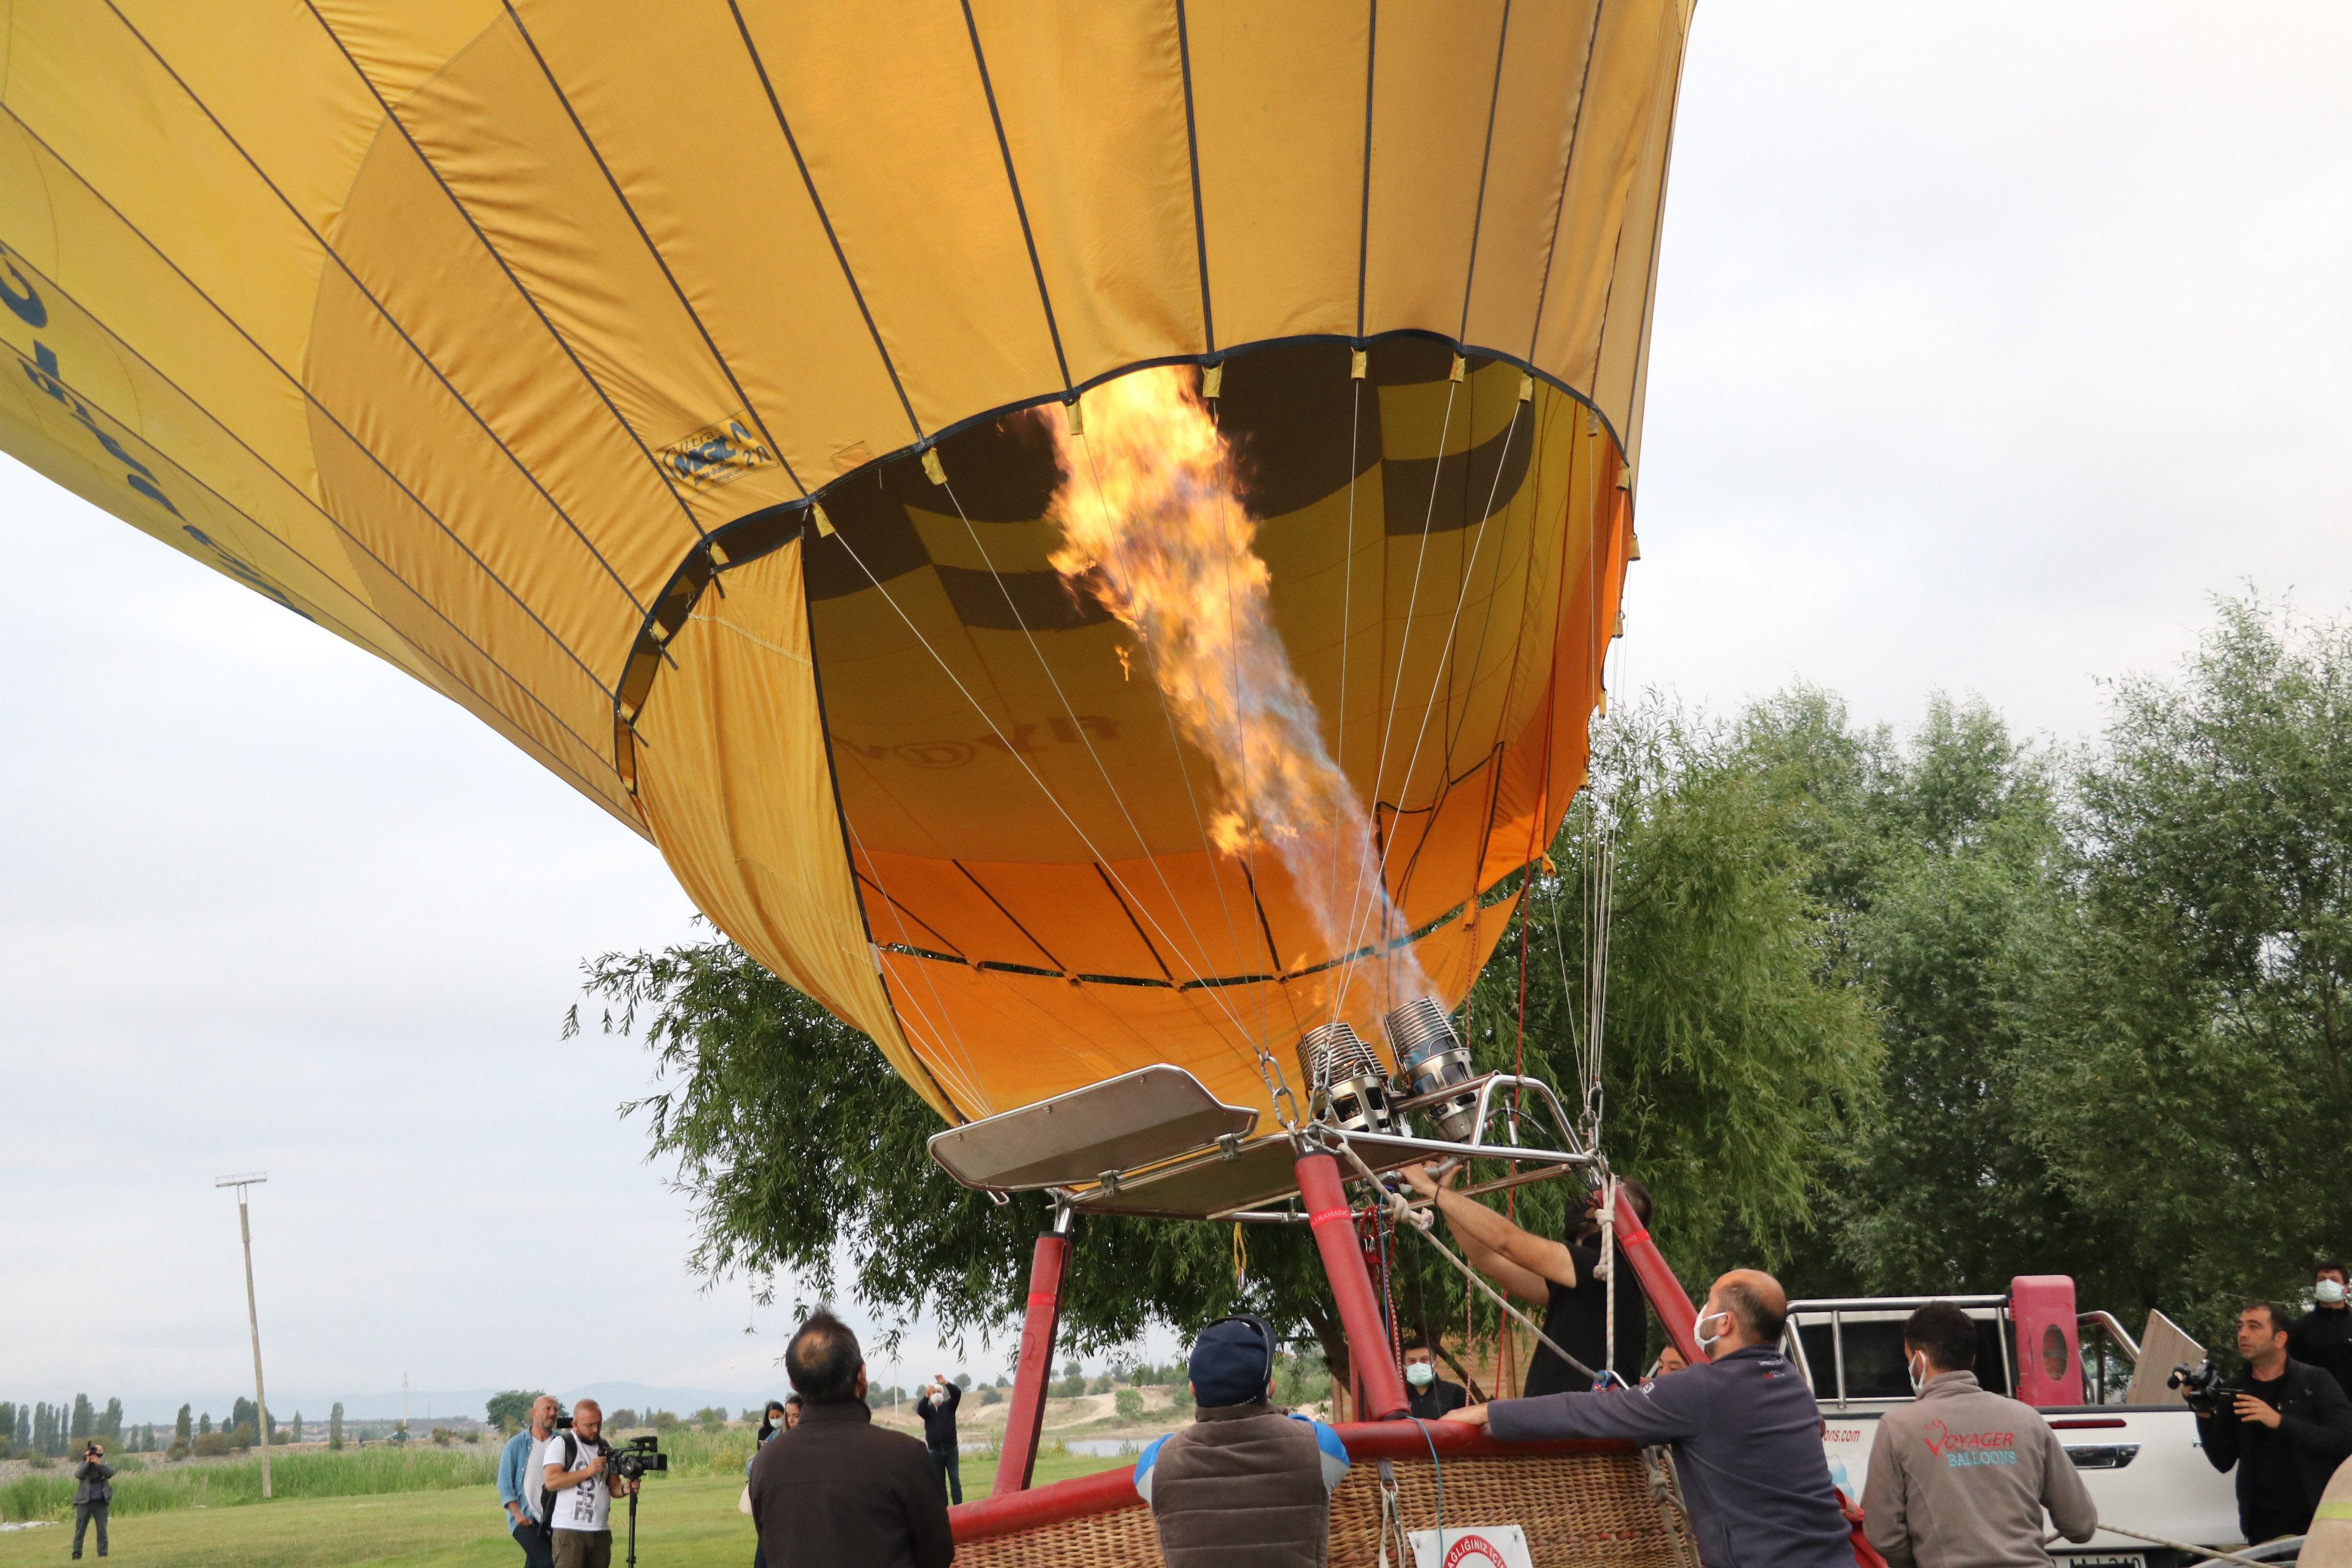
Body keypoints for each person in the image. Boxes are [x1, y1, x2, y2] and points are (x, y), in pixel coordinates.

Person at [1447, 1268, 1853, 1568]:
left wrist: (1489, 1411)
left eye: (1709, 1303)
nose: (1701, 1313)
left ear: (1724, 1323)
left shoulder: (1701, 1389)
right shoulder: (1794, 1385)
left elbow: (1589, 1412)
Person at [1863, 1302, 2097, 1568]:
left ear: (1920, 1360)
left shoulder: (1897, 1427)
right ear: (1972, 1360)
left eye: (1909, 1360)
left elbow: (1882, 1534)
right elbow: (2081, 1524)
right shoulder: (2027, 1419)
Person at [1403, 1165, 1651, 1392]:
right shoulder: (1588, 1280)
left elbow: (1506, 1242)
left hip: (1582, 1423)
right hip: (1564, 1421)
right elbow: (1489, 1260)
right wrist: (1446, 1197)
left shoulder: (1606, 1268)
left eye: (1595, 1197)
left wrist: (1431, 1189)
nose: (1585, 1200)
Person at [1134, 1314, 1351, 1568]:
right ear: (1271, 1388)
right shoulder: (1319, 1447)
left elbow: (1161, 1449)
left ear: (1192, 1388)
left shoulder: (1156, 1465)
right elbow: (1323, 1439)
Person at [748, 1309, 952, 1568]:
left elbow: (771, 1551)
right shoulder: (905, 1456)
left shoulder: (765, 1465)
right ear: (862, 1374)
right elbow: (937, 1554)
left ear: (794, 1384)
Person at [2194, 1301, 2352, 1543]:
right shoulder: (2237, 1388)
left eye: (2254, 1326)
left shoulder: (2314, 1381)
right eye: (2240, 1327)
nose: (2243, 1334)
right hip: (2260, 1527)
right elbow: (2223, 1460)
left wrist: (2279, 1421)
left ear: (2280, 1339)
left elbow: (2345, 1439)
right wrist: (2202, 1412)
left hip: (2316, 1526)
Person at [541, 1399, 639, 1568]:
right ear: (575, 1424)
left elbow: (613, 1486)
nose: (595, 1429)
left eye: (599, 1424)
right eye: (590, 1425)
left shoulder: (606, 1447)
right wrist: (587, 1472)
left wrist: (625, 1489)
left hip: (600, 1530)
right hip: (570, 1531)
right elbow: (551, 1482)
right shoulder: (562, 1444)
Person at [499, 1394, 559, 1568]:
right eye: (547, 1409)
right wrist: (517, 1514)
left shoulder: (560, 1443)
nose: (552, 1413)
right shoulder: (516, 1445)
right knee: (547, 1562)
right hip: (525, 1518)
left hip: (553, 1519)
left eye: (555, 1410)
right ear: (534, 1413)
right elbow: (505, 1483)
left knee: (536, 1562)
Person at [2291, 1262, 2352, 1397]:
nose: (2327, 1284)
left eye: (2334, 1280)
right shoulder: (2300, 1328)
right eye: (2322, 1280)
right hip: (2316, 1404)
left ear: (2346, 1288)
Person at [915, 1373, 963, 1503]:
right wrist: (926, 1394)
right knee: (939, 1484)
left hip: (951, 1450)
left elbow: (957, 1393)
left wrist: (945, 1382)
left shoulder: (950, 1406)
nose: (936, 1394)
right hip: (934, 1453)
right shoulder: (928, 1411)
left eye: (938, 1392)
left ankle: (959, 1507)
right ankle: (944, 1509)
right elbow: (920, 1410)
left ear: (943, 1394)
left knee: (955, 1480)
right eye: (934, 1392)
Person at [1401, 1335, 1467, 1422]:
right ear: (1405, 1369)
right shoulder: (1399, 1398)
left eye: (1424, 1360)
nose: (1418, 1365)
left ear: (1435, 1366)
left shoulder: (1456, 1393)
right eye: (1412, 1361)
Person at [71, 1440, 113, 1560]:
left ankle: (103, 1553)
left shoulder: (104, 1465)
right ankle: (77, 1553)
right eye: (95, 1451)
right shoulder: (84, 1465)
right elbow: (78, 1474)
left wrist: (99, 1465)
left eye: (100, 1451)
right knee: (80, 1529)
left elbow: (110, 1473)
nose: (97, 1453)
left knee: (102, 1530)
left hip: (100, 1502)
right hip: (84, 1502)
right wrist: (88, 1462)